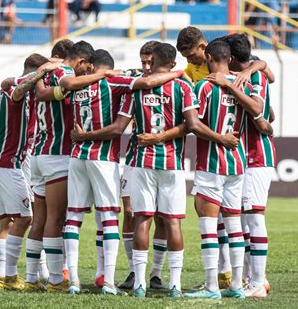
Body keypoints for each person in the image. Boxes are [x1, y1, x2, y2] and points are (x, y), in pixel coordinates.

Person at [71, 43, 235, 298]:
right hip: (171, 163)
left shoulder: (135, 88)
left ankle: (139, 284)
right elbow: (190, 125)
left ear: (154, 60)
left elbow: (120, 126)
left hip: (140, 162)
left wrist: (153, 137)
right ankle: (175, 285)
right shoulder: (183, 86)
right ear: (172, 63)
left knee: (142, 219)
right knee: (172, 222)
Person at [63, 48, 184, 295]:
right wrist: (179, 71)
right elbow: (147, 81)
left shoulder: (74, 85)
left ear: (90, 65)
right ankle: (108, 281)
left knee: (74, 218)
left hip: (77, 156)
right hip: (103, 157)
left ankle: (73, 280)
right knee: (109, 219)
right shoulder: (113, 81)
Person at [32, 40, 124, 292]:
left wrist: (42, 70)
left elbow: (39, 91)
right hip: (73, 155)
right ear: (83, 62)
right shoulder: (73, 76)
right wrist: (104, 74)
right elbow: (69, 84)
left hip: (52, 153)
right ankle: (92, 280)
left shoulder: (50, 74)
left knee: (58, 218)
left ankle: (48, 277)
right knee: (95, 217)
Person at [182, 40, 267, 300]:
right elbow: (258, 110)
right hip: (238, 162)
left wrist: (218, 137)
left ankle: (211, 287)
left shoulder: (205, 86)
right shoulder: (245, 83)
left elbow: (194, 124)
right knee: (234, 225)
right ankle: (236, 287)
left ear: (208, 57)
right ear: (230, 59)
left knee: (208, 224)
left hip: (212, 163)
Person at [0, 53, 56, 290]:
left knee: (8, 221)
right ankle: (10, 277)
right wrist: (42, 72)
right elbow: (16, 89)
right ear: (33, 73)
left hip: (3, 162)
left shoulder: (22, 92)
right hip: (8, 163)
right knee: (27, 217)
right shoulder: (14, 90)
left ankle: (2, 277)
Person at [220, 33, 276, 298]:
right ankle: (254, 278)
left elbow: (259, 112)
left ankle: (257, 283)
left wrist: (261, 117)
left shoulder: (254, 77)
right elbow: (269, 112)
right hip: (245, 154)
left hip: (257, 154)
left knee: (254, 216)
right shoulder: (252, 72)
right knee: (241, 219)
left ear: (230, 58)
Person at [118, 40, 169, 291]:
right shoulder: (136, 80)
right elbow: (118, 74)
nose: (147, 66)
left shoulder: (175, 84)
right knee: (130, 213)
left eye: (151, 61)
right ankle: (132, 270)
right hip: (135, 158)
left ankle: (156, 274)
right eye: (143, 62)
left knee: (161, 217)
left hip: (165, 158)